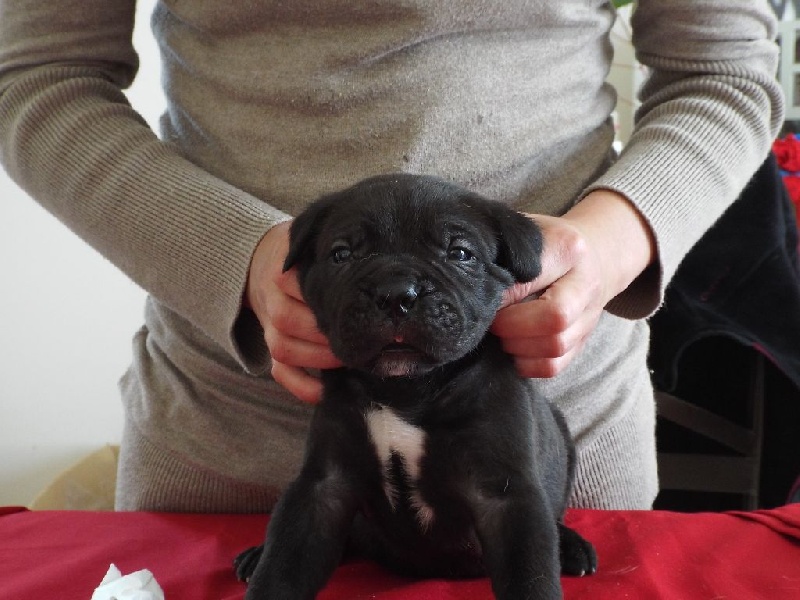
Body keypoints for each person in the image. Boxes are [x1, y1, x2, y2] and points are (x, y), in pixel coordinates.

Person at [0, 1, 784, 512]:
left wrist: (609, 246)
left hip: (546, 447)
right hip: (237, 443)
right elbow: (40, 79)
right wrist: (236, 260)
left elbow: (723, 75)